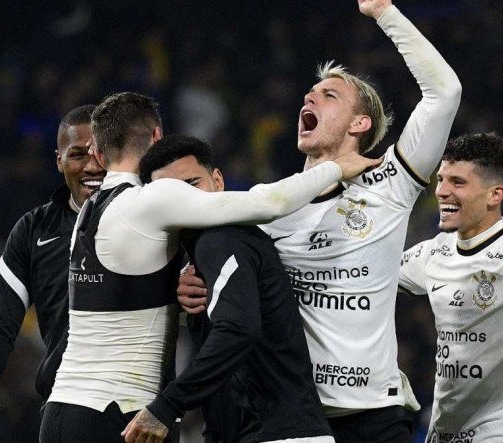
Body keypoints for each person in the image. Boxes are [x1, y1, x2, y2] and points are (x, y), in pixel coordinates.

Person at [179, 1, 461, 440]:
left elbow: (445, 93)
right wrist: (193, 282)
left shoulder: (391, 182)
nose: (309, 98)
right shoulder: (271, 206)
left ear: (360, 123)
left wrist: (385, 13)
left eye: (329, 95)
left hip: (375, 415)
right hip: (294, 418)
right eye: (310, 94)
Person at [38, 92, 378, 443]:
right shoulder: (155, 199)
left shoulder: (87, 212)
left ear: (97, 152)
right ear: (157, 137)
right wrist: (336, 168)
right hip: (120, 413)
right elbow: (270, 203)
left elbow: (127, 290)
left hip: (63, 409)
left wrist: (185, 276)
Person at [120, 135, 333, 443]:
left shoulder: (221, 238)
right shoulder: (197, 255)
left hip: (278, 434)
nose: (185, 202)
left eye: (193, 184)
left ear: (218, 180)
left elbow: (238, 330)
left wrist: (165, 407)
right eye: (170, 196)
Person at [397, 133, 503, 442]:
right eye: (442, 179)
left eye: (458, 183)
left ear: (495, 194)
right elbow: (366, 280)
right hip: (442, 432)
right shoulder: (434, 251)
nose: (442, 191)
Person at [0, 105, 105, 443]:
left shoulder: (153, 219)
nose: (91, 165)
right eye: (76, 154)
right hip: (65, 410)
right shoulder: (34, 230)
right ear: (58, 160)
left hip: (142, 413)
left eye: (101, 153)